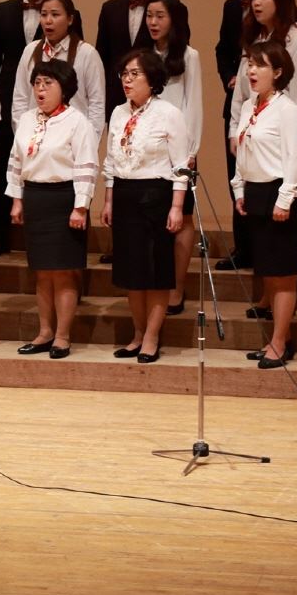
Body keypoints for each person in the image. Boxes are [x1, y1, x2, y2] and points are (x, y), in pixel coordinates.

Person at [228, 0, 297, 319]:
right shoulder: (256, 40)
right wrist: (236, 132)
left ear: (282, 0)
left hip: (283, 143)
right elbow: (241, 95)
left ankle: (279, 300)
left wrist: (288, 146)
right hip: (253, 136)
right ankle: (266, 296)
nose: (256, 2)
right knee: (259, 231)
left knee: (279, 232)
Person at [101, 50, 189, 364]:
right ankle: (137, 334)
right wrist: (108, 200)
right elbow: (111, 161)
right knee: (131, 273)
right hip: (125, 195)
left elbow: (181, 167)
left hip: (156, 196)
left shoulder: (169, 114)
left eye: (134, 74)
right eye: (124, 74)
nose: (127, 80)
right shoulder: (118, 113)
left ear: (152, 79)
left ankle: (152, 337)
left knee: (155, 272)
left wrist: (177, 207)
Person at [7, 58, 98, 359]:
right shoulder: (27, 119)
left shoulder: (77, 122)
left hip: (64, 199)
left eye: (48, 83)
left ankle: (62, 336)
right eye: (37, 83)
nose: (41, 89)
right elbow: (16, 161)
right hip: (35, 198)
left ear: (64, 88)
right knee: (42, 272)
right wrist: (17, 199)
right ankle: (45, 332)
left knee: (63, 273)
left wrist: (80, 207)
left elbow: (87, 165)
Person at [0, 0, 61, 257]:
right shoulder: (3, 10)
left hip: (49, 100)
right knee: (4, 164)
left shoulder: (63, 11)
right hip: (7, 100)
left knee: (46, 168)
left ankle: (41, 237)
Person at [231, 41, 297, 369]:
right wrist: (239, 189)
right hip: (256, 193)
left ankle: (279, 342)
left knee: (283, 275)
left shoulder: (286, 110)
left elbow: (293, 159)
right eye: (249, 64)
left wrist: (285, 199)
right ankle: (279, 338)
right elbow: (243, 151)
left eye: (259, 65)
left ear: (277, 72)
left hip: (279, 194)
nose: (251, 71)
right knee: (268, 275)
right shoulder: (250, 105)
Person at [215, 0, 274, 271]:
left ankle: (265, 248)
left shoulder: (278, 9)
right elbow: (223, 49)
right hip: (237, 105)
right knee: (236, 176)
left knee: (263, 180)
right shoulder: (230, 7)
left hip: (267, 109)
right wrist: (230, 76)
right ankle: (243, 247)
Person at [145, 0, 202, 314]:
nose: (153, 22)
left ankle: (177, 287)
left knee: (182, 218)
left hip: (180, 151)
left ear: (174, 19)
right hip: (149, 151)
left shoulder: (189, 56)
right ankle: (155, 284)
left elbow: (193, 104)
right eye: (150, 16)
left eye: (160, 16)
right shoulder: (143, 57)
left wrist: (190, 150)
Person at [9, 0, 105, 140]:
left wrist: (89, 142)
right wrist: (23, 136)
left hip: (73, 139)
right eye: (44, 14)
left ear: (70, 19)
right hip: (35, 138)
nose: (48, 21)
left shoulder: (87, 53)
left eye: (55, 15)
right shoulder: (30, 51)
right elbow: (20, 99)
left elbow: (96, 104)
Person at [95, 0, 163, 119]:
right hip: (116, 100)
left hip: (155, 100)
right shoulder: (110, 9)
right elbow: (102, 59)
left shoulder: (168, 9)